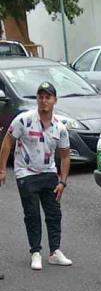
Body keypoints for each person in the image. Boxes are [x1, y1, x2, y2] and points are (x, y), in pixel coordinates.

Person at [0, 82, 73, 271]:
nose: (43, 101)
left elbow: (65, 156)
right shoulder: (23, 120)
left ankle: (55, 252)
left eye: (47, 97)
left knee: (54, 214)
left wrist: (63, 181)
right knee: (32, 214)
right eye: (40, 97)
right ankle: (35, 252)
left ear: (54, 100)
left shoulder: (60, 128)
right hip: (26, 173)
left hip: (49, 172)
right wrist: (2, 170)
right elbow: (7, 142)